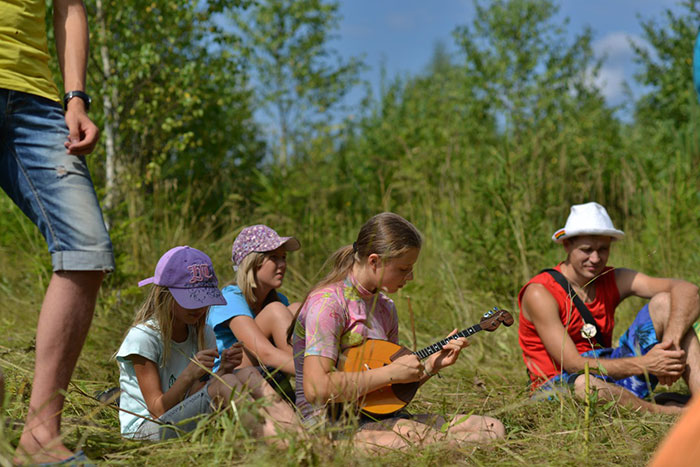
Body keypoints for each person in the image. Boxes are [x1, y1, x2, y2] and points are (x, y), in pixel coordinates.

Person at [2, 0, 114, 463]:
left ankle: (41, 437)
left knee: (86, 248)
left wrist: (76, 98)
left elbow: (69, 7)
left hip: (36, 102)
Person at [288, 212, 505, 450]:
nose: (410, 277)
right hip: (330, 428)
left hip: (376, 418)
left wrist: (430, 366)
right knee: (423, 438)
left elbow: (386, 393)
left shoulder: (385, 307)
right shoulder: (329, 304)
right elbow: (316, 388)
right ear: (374, 261)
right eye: (403, 269)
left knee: (492, 429)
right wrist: (391, 373)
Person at [518, 202, 700, 414]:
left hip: (610, 368)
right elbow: (573, 364)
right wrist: (648, 364)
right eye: (586, 250)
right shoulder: (540, 292)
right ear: (567, 245)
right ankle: (669, 413)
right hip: (560, 384)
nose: (595, 259)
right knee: (585, 386)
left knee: (668, 304)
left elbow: (688, 290)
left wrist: (670, 343)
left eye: (603, 249)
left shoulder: (614, 278)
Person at [116, 246, 300, 441]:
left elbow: (194, 396)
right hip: (145, 430)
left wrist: (223, 370)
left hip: (181, 416)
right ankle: (276, 442)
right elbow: (157, 410)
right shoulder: (144, 338)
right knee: (227, 383)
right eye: (191, 299)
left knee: (247, 373)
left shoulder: (203, 333)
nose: (199, 308)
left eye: (203, 299)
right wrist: (190, 373)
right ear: (165, 295)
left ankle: (300, 436)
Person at [207, 225, 300, 378]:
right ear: (252, 262)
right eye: (273, 257)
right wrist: (315, 375)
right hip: (224, 378)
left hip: (262, 371)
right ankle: (311, 386)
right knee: (276, 311)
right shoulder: (229, 299)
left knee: (296, 309)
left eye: (283, 257)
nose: (282, 265)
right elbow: (265, 354)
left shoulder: (280, 300)